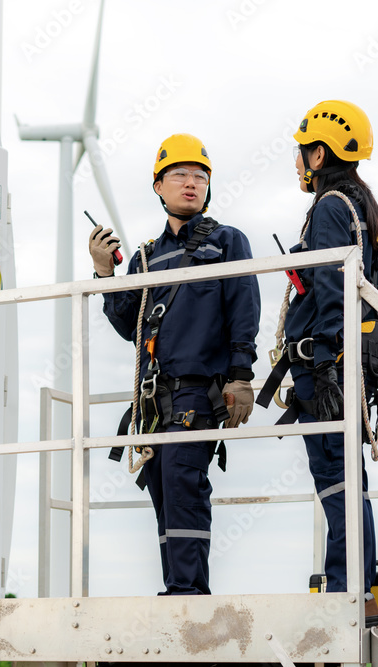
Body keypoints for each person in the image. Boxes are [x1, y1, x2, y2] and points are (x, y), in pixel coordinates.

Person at [88, 133, 261, 595]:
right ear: (159, 186)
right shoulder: (145, 257)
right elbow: (129, 324)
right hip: (153, 398)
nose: (191, 183)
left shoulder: (227, 242)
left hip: (197, 391)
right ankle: (183, 589)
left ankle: (186, 594)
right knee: (164, 488)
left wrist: (242, 376)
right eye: (180, 175)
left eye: (200, 177)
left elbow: (244, 308)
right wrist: (105, 273)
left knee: (183, 481)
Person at [257, 100, 378, 626]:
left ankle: (347, 589)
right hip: (350, 360)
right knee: (346, 478)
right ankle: (357, 586)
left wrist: (328, 361)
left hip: (327, 365)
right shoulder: (364, 208)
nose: (296, 162)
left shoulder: (332, 205)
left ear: (318, 153)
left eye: (300, 151)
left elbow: (335, 285)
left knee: (335, 477)